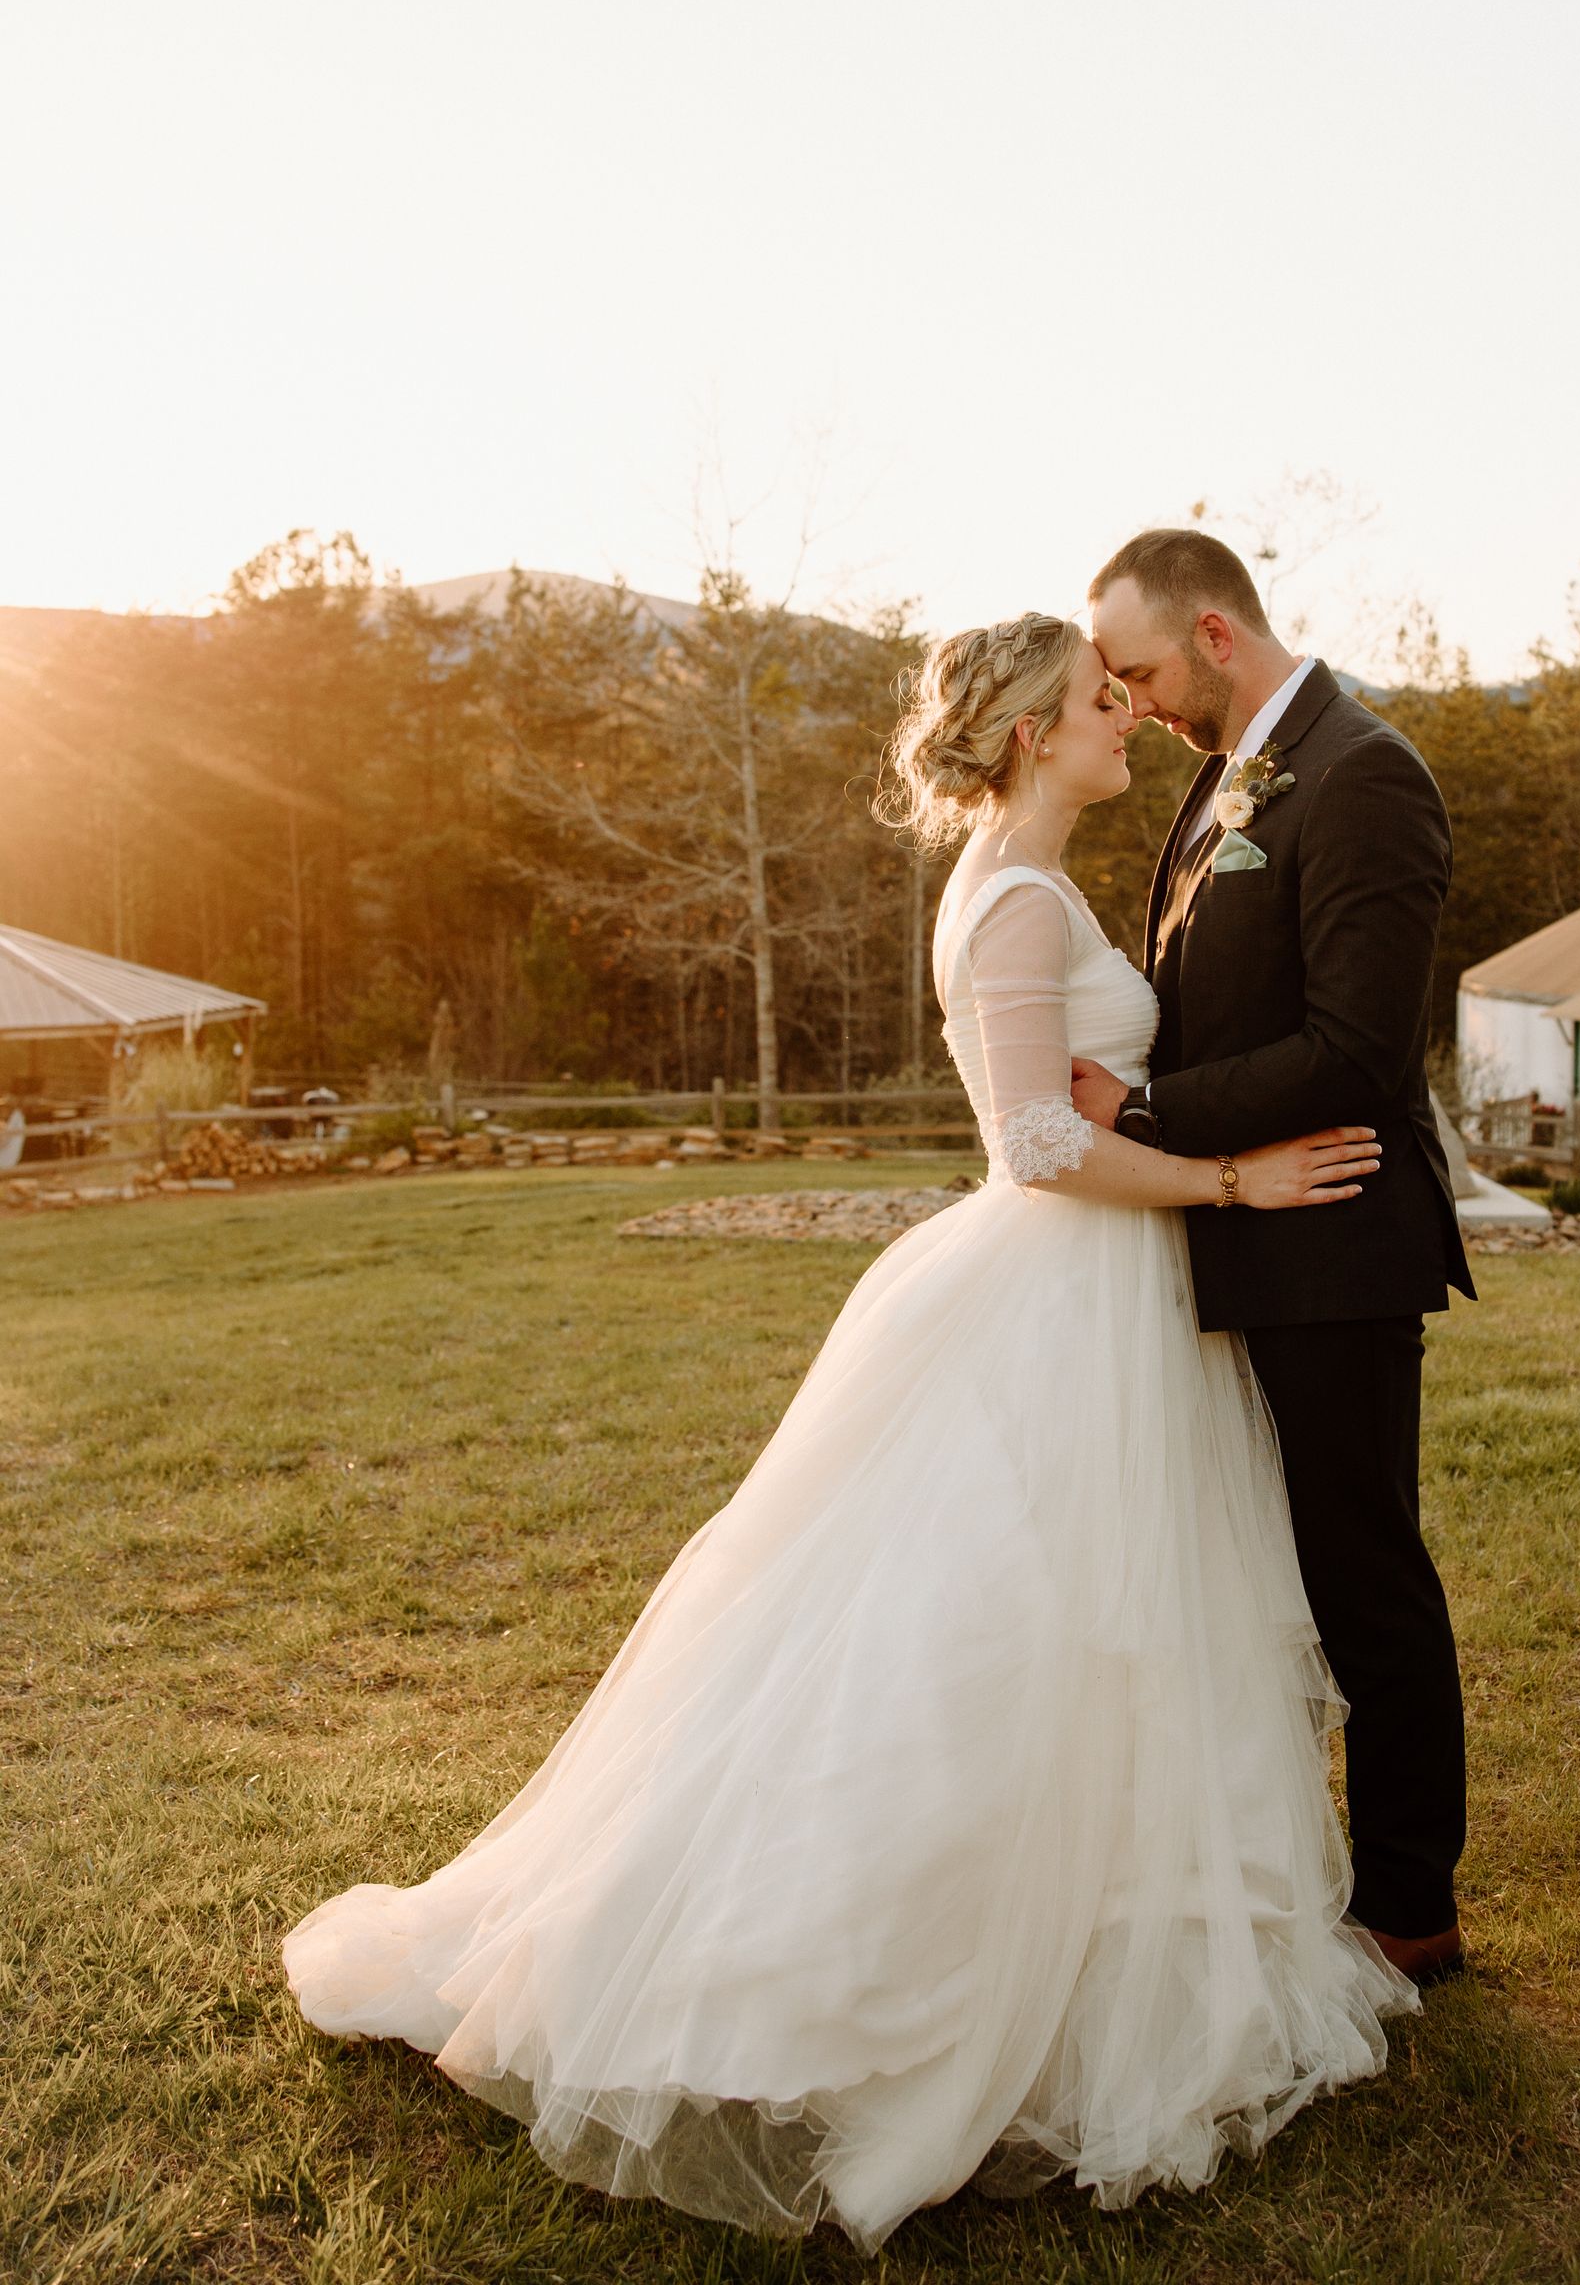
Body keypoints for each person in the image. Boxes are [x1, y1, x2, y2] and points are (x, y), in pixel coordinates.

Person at [284, 610, 1415, 2253]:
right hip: (1059, 1290)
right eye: (1103, 703)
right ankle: (919, 1970)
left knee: (1078, 1641)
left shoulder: (1028, 883)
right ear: (1033, 731)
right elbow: (1034, 1141)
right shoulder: (1019, 896)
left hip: (1094, 1297)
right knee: (1009, 1638)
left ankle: (1084, 1925)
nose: (1126, 722)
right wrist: (1230, 1177)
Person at [1083, 529, 1474, 1984]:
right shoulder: (1225, 772)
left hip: (1334, 1242)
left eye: (1137, 670)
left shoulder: (1366, 772)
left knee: (1362, 1576)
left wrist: (1144, 1110)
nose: (1129, 701)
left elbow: (1359, 1053)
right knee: (1266, 1575)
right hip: (1234, 1226)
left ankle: (1410, 1909)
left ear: (1215, 634)